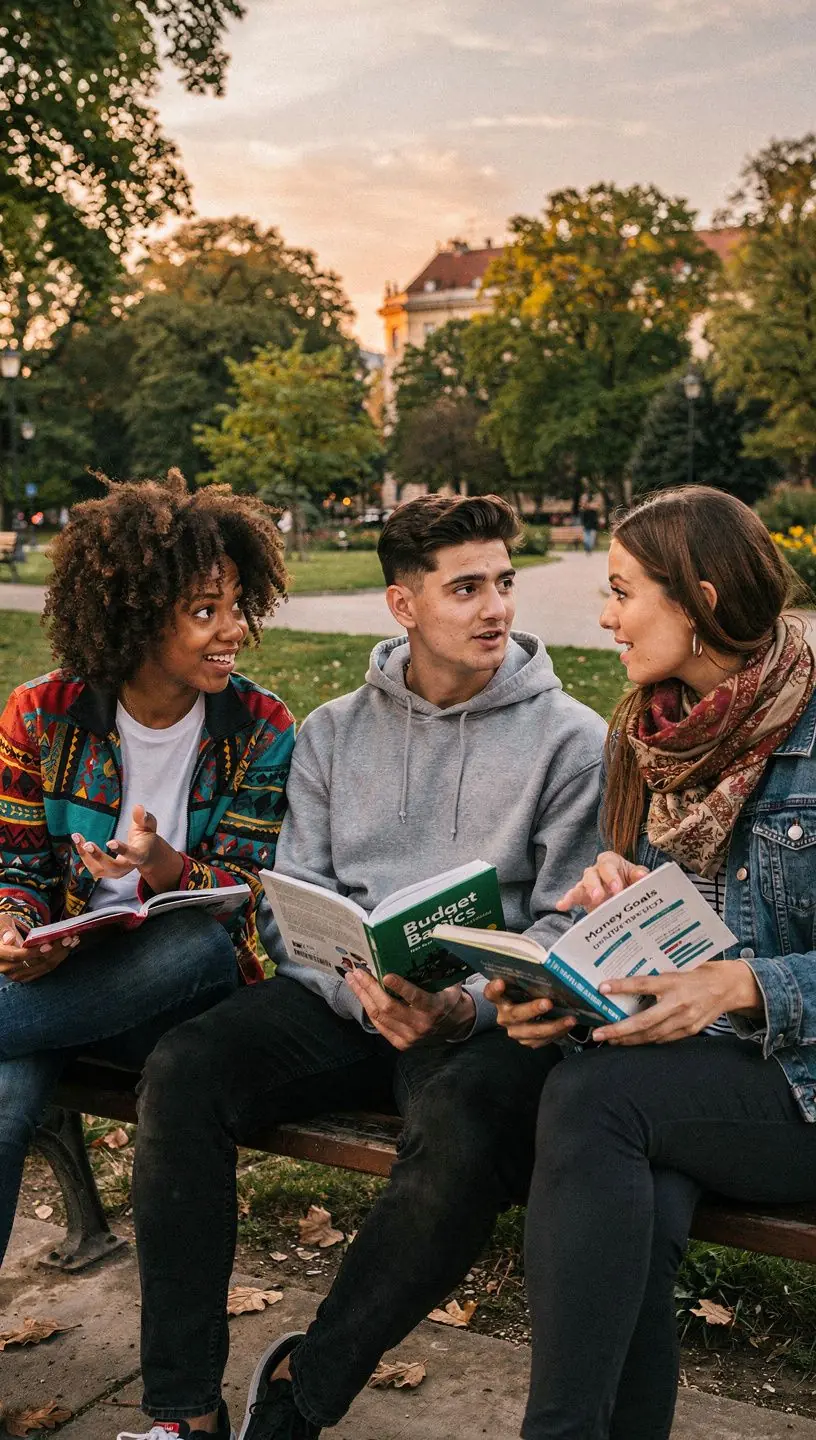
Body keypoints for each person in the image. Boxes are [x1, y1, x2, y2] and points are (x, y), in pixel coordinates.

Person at [124, 493, 607, 1440]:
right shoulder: (336, 730)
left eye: (504, 582)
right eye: (465, 588)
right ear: (402, 604)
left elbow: (565, 925)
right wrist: (353, 986)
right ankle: (182, 1411)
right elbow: (292, 895)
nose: (496, 608)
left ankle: (301, 1393)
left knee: (462, 1133)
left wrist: (462, 1008)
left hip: (479, 1021)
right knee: (183, 1069)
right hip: (346, 999)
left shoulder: (572, 740)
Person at [489, 485, 816, 1440]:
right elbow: (677, 921)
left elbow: (734, 970)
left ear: (700, 602)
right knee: (639, 1207)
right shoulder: (650, 734)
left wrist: (744, 983)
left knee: (596, 1103)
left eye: (623, 591)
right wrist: (612, 917)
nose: (605, 616)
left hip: (798, 1079)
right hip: (698, 1074)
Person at [0, 471, 294, 1267]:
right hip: (55, 988)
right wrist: (16, 930)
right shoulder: (41, 716)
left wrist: (165, 865)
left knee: (192, 946)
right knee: (4, 1096)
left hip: (177, 999)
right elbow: (15, 864)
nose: (232, 630)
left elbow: (246, 897)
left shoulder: (260, 727)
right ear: (135, 614)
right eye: (204, 611)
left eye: (236, 605)